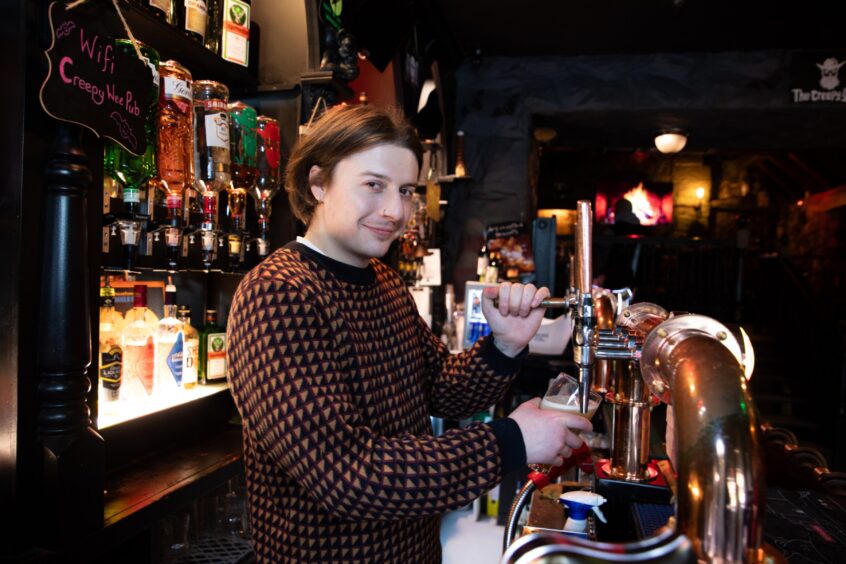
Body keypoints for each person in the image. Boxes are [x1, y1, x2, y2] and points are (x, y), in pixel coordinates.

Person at [226, 105, 591, 563]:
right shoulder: (279, 294)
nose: (395, 210)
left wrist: (504, 346)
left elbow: (441, 390)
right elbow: (349, 476)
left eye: (405, 191)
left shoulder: (383, 281)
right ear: (318, 183)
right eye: (373, 185)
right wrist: (512, 441)